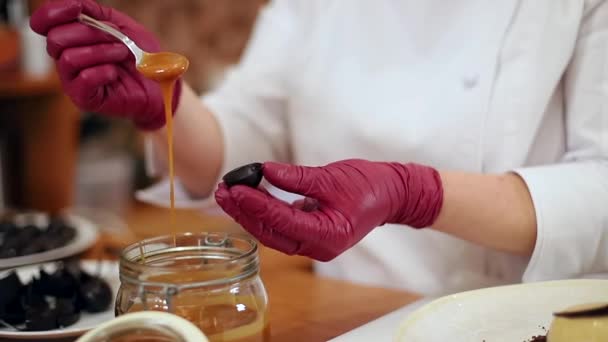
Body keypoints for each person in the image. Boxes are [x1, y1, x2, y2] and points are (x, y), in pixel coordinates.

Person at [30, 0, 608, 296]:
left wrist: (417, 195)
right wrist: (168, 106)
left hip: (528, 317)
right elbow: (249, 133)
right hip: (357, 318)